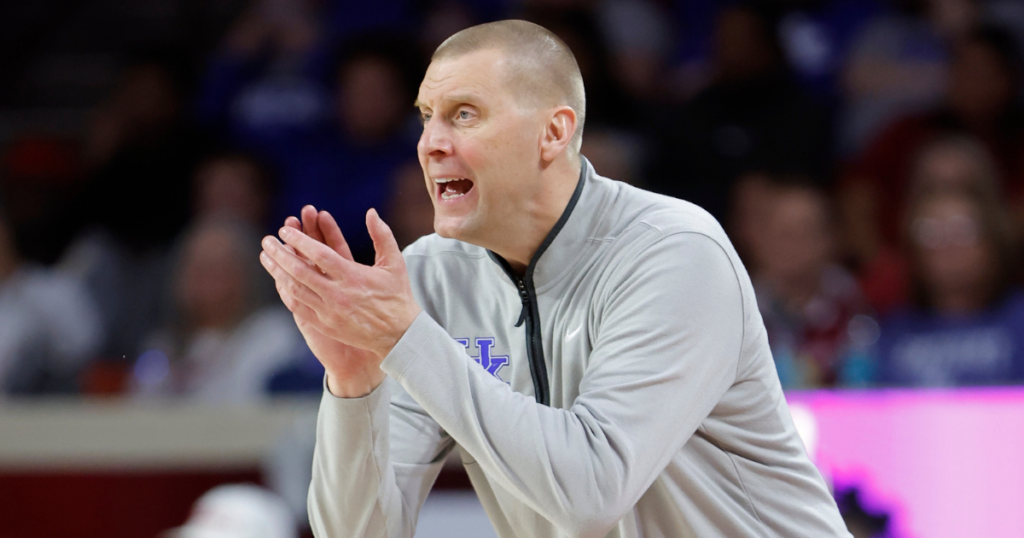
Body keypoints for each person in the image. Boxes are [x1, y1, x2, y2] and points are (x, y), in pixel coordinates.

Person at [259, 20, 850, 537]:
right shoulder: (428, 281)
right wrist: (353, 381)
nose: (431, 144)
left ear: (554, 131)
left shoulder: (673, 252)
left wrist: (407, 341)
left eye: (463, 114)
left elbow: (592, 493)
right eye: (425, 118)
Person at [874, 187, 1024, 387]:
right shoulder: (891, 332)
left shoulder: (1018, 320)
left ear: (994, 241)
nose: (948, 245)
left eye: (963, 229)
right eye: (930, 232)